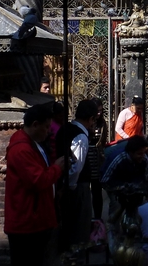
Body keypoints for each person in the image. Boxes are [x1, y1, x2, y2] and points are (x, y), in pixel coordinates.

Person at [5, 104, 66, 264]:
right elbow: (37, 180)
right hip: (27, 223)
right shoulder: (22, 149)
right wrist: (57, 169)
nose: (48, 131)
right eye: (46, 127)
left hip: (36, 219)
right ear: (35, 125)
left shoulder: (33, 144)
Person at [55, 99, 97, 248]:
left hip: (64, 183)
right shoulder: (80, 136)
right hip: (76, 187)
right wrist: (69, 186)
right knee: (78, 227)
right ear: (91, 119)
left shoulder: (65, 129)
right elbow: (76, 167)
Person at [87, 97, 108, 219]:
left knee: (97, 190)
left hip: (97, 158)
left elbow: (103, 141)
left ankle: (98, 218)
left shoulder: (102, 123)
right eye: (97, 110)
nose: (99, 113)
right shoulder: (86, 122)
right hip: (86, 156)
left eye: (101, 110)